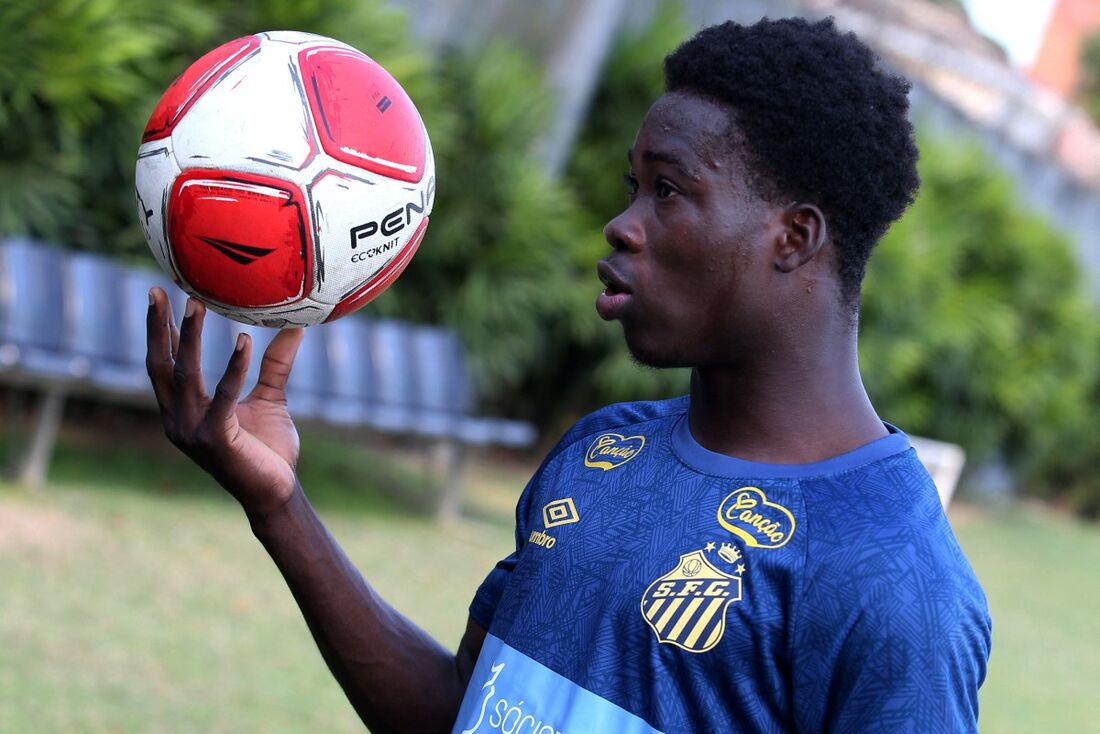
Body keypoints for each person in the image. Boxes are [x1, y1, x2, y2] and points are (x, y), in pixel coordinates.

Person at [145, 16, 991, 734]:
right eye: (634, 185)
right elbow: (456, 711)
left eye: (668, 190)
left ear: (794, 238)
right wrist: (278, 504)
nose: (622, 225)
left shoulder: (894, 583)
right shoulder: (602, 451)